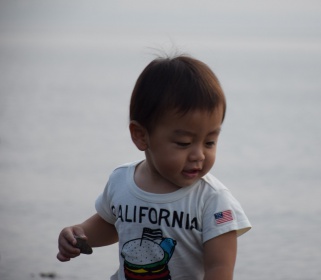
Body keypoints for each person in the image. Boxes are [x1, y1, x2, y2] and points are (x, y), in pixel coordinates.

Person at [57, 54, 251, 280]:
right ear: (141, 136)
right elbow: (111, 224)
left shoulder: (212, 200)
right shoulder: (122, 181)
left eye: (210, 142)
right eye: (184, 143)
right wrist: (78, 234)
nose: (199, 155)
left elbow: (220, 268)